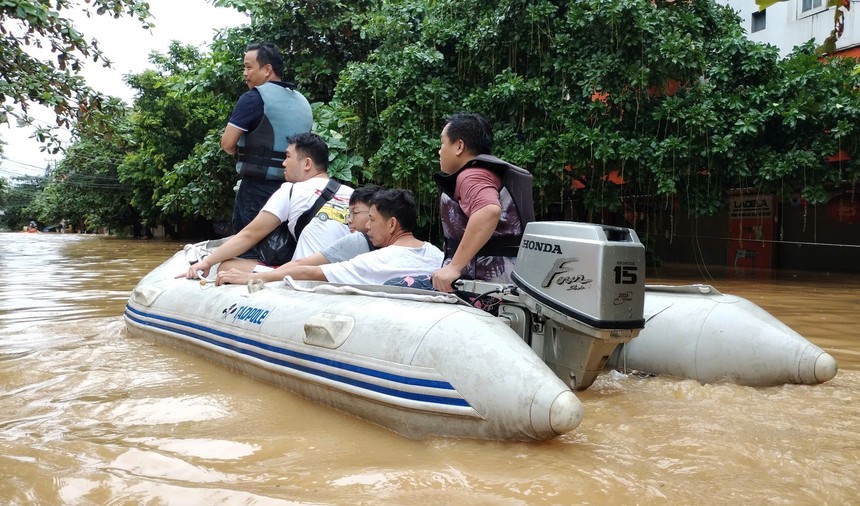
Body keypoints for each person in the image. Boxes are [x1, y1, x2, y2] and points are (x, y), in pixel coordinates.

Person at [183, 132, 352, 280]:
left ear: (307, 164)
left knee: (227, 266)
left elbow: (249, 235)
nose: (283, 163)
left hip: (306, 277)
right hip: (345, 275)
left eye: (288, 156)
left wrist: (206, 262)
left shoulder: (292, 190)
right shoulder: (351, 194)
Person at [215, 189, 442, 286]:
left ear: (392, 224)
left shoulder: (373, 262)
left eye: (372, 219)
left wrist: (254, 278)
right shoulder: (437, 255)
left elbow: (306, 271)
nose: (367, 226)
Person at [431, 113, 535, 292]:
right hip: (507, 284)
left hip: (482, 289)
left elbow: (488, 210)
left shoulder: (471, 175)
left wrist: (454, 267)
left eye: (442, 143)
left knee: (395, 287)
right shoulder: (487, 172)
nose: (440, 151)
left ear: (459, 146)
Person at [221, 42, 313, 234]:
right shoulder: (303, 102)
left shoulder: (253, 98)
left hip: (257, 190)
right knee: (282, 247)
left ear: (267, 69)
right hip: (294, 191)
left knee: (247, 246)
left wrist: (239, 150)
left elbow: (227, 144)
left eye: (248, 67)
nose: (245, 73)